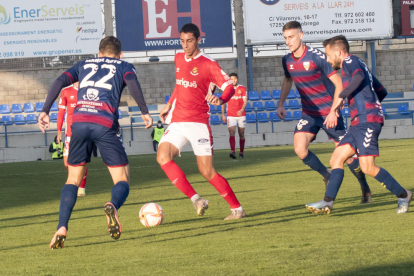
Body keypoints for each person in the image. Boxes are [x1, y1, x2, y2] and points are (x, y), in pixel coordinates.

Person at [38, 36, 153, 249]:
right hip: (104, 123)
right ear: (120, 54)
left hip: (79, 122)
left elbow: (59, 81)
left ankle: (62, 227)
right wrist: (144, 111)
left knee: (73, 179)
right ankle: (112, 204)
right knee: (122, 179)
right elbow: (133, 83)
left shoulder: (83, 64)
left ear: (99, 53)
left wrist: (45, 110)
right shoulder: (124, 65)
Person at [305, 35, 412, 214]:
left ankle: (403, 195)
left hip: (366, 122)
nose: (328, 59)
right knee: (336, 159)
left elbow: (359, 77)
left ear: (339, 52)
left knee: (367, 167)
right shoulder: (360, 63)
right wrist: (370, 103)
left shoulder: (349, 61)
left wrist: (341, 98)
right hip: (358, 123)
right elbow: (381, 91)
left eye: (329, 55)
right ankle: (327, 202)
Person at [157, 23, 246, 220]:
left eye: (189, 41)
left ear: (198, 40)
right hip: (179, 120)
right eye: (182, 41)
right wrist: (169, 105)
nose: (185, 45)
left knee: (206, 171)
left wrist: (221, 99)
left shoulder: (209, 64)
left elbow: (229, 87)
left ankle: (237, 209)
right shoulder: (178, 58)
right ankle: (196, 199)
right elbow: (179, 86)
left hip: (198, 122)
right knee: (163, 157)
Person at [277, 21, 372, 203]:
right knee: (299, 148)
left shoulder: (318, 57)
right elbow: (287, 80)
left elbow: (339, 84)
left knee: (347, 157)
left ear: (301, 36)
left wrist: (333, 110)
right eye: (285, 38)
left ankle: (364, 187)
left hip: (329, 112)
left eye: (291, 37)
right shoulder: (286, 60)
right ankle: (326, 175)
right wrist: (281, 103)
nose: (288, 41)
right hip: (309, 114)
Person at [57, 82, 88, 196]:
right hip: (70, 131)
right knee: (67, 163)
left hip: (83, 130)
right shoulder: (66, 91)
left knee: (81, 160)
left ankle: (81, 187)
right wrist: (58, 130)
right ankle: (77, 181)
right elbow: (61, 112)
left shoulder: (87, 89)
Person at [221, 73, 247, 159]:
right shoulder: (227, 89)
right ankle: (233, 152)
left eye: (235, 78)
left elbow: (245, 101)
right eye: (231, 79)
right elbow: (223, 102)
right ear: (229, 80)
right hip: (230, 115)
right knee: (232, 132)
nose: (233, 80)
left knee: (241, 133)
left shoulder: (242, 88)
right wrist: (222, 114)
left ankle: (241, 152)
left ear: (237, 79)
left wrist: (241, 110)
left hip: (241, 115)